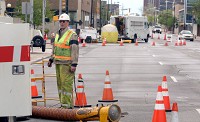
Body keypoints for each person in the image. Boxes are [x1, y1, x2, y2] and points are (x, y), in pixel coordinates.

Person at [48, 13, 79, 109]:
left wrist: (74, 64)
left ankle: (67, 106)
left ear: (68, 22)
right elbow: (55, 48)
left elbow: (74, 50)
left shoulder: (72, 35)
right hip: (58, 63)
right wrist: (51, 59)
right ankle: (63, 104)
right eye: (60, 21)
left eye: (63, 21)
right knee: (60, 85)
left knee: (66, 85)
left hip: (67, 65)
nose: (61, 23)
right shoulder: (57, 34)